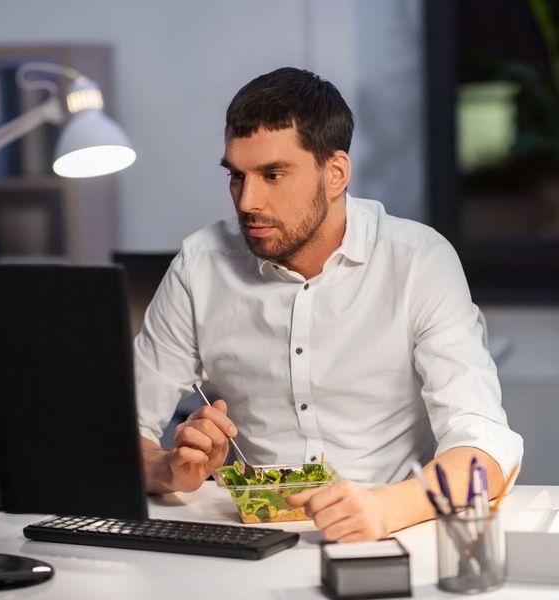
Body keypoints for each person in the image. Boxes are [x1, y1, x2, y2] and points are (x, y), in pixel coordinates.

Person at [135, 67, 523, 541]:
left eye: (273, 175)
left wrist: (384, 509)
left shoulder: (419, 261)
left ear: (335, 173)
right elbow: (120, 428)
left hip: (392, 527)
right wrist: (168, 470)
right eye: (237, 176)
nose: (248, 201)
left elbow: (484, 446)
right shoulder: (200, 264)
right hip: (244, 532)